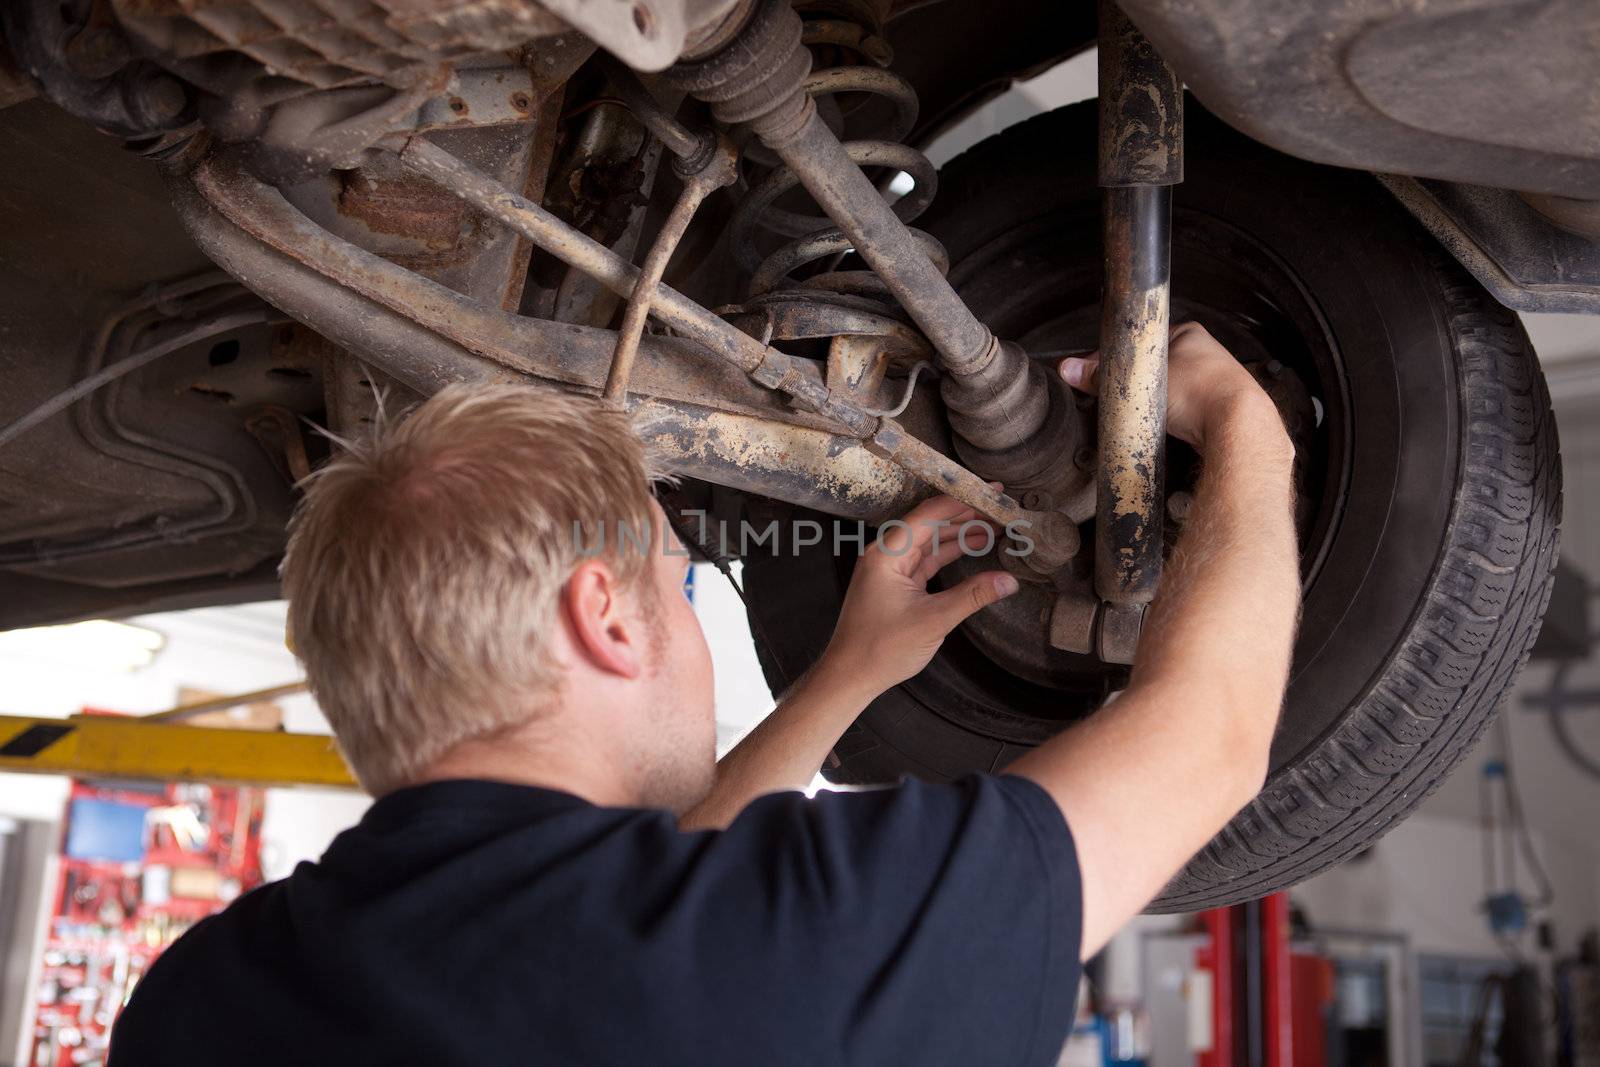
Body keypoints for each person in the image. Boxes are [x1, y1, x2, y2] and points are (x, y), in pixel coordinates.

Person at [109, 322, 1298, 1066]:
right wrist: (1250, 431)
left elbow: (638, 906)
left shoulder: (196, 1004)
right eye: (681, 585)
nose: (688, 619)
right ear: (608, 616)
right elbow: (1212, 739)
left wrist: (845, 675)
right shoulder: (790, 938)